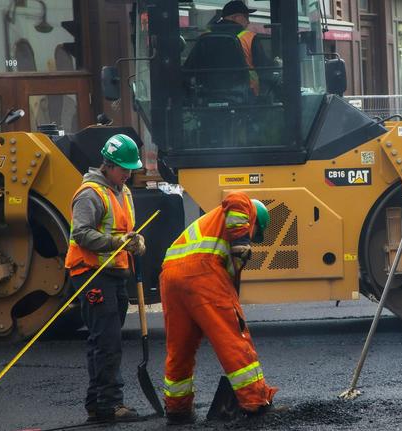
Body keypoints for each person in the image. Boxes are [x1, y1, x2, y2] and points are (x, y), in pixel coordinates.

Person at [160, 191, 279, 425]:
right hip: (202, 272)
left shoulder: (211, 230)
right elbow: (236, 197)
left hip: (170, 276)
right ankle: (255, 402)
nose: (252, 238)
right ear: (254, 222)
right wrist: (242, 240)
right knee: (233, 338)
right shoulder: (246, 209)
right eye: (254, 235)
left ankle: (178, 409)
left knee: (180, 347)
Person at [64, 134, 146, 422]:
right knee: (107, 340)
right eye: (124, 168)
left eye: (130, 169)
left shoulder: (122, 191)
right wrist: (117, 243)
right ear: (108, 165)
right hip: (90, 274)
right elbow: (81, 233)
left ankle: (97, 404)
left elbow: (123, 230)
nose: (128, 174)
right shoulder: (90, 194)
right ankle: (110, 405)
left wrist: (135, 241)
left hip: (114, 272)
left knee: (104, 340)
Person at [184, 0, 273, 98]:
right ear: (235, 17)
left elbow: (188, 69)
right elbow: (264, 69)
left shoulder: (204, 37)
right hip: (245, 99)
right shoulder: (249, 38)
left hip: (207, 98)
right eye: (246, 17)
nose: (248, 22)